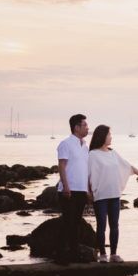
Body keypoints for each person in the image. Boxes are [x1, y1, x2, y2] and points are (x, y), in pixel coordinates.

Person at [87, 124, 138, 262]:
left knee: (114, 225)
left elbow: (129, 167)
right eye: (109, 134)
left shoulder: (113, 153)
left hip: (114, 194)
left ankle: (114, 254)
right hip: (100, 196)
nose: (111, 137)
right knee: (101, 226)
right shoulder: (92, 154)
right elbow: (88, 175)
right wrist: (88, 192)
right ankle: (103, 255)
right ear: (103, 136)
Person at [55, 113, 90, 264]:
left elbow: (85, 169)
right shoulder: (66, 144)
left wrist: (88, 190)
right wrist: (66, 187)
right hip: (68, 190)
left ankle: (74, 254)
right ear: (76, 127)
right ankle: (60, 256)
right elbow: (61, 165)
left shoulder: (85, 146)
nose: (88, 128)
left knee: (76, 223)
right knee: (67, 222)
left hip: (81, 190)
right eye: (85, 125)